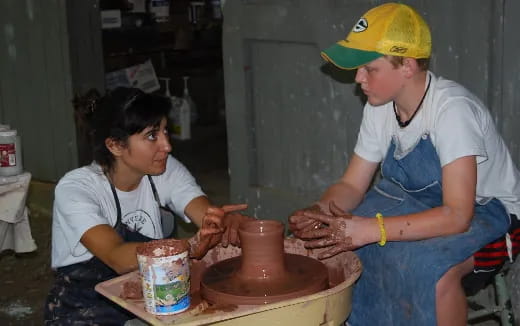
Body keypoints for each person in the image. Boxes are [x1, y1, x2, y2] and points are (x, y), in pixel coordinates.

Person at [289, 3, 520, 326]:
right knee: (336, 247)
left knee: (428, 271)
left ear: (407, 66)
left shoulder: (452, 112)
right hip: (413, 200)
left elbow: (457, 215)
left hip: (487, 212)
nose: (359, 79)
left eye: (369, 69)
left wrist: (370, 229)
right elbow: (352, 185)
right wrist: (319, 211)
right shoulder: (381, 105)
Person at [44, 87, 249, 325]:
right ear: (115, 146)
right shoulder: (76, 188)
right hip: (83, 307)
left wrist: (224, 223)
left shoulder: (164, 168)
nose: (166, 145)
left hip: (150, 298)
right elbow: (117, 256)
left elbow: (205, 215)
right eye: (152, 136)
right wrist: (188, 247)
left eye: (165, 131)